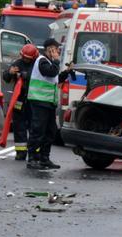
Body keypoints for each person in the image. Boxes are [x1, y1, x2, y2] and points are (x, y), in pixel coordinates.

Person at [26, 38, 73, 169]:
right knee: (38, 131)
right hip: (39, 101)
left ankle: (44, 158)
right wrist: (57, 61)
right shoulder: (41, 61)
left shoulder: (49, 62)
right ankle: (32, 158)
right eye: (56, 49)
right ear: (49, 49)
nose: (57, 51)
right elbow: (50, 71)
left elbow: (55, 78)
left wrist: (67, 72)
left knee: (50, 131)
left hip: (49, 103)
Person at [2, 44, 39, 160]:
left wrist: (23, 74)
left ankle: (35, 152)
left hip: (33, 99)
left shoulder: (37, 64)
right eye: (24, 57)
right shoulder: (18, 63)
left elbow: (35, 76)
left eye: (28, 58)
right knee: (19, 126)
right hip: (20, 99)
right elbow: (6, 77)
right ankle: (21, 152)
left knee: (35, 127)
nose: (25, 59)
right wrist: (10, 72)